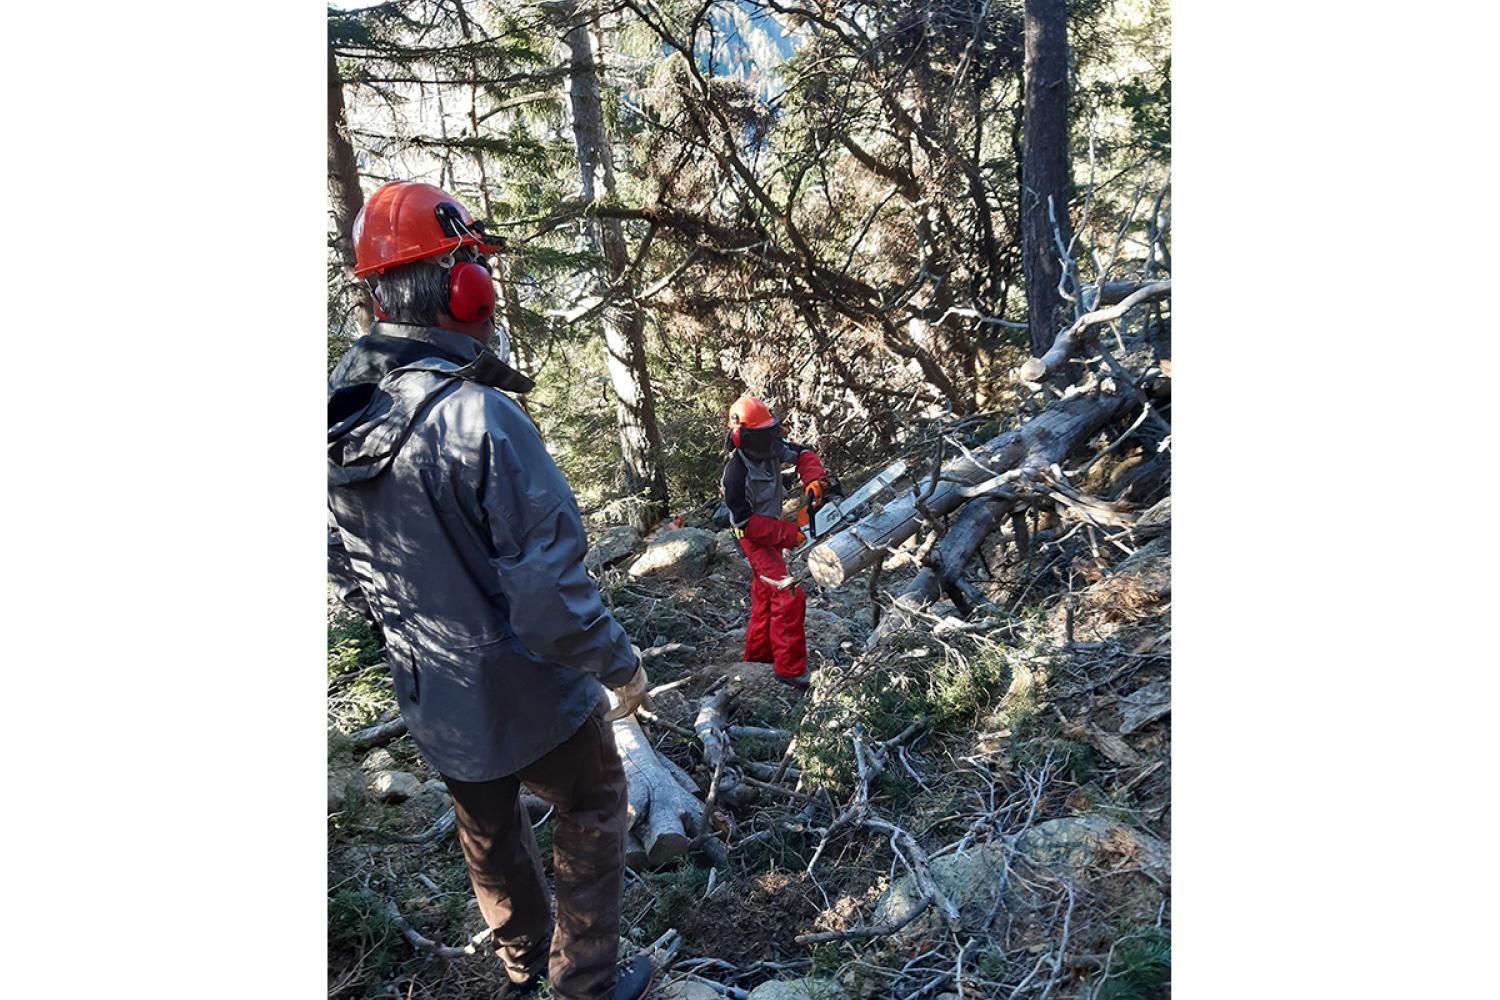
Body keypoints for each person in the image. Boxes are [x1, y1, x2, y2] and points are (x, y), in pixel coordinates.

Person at [327, 180, 652, 1000]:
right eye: (476, 270)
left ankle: (522, 967)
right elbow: (549, 593)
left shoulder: (333, 426)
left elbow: (342, 567)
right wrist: (619, 666)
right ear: (463, 287)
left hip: (432, 693)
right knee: (593, 798)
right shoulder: (476, 417)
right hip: (527, 688)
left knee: (487, 825)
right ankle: (584, 984)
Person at [720, 395, 833, 690]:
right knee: (787, 594)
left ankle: (759, 656)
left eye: (770, 433)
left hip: (770, 531)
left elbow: (803, 454)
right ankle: (789, 669)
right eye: (760, 436)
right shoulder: (736, 474)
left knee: (765, 593)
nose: (769, 442)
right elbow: (745, 523)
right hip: (751, 538)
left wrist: (813, 480)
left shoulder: (772, 447)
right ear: (742, 437)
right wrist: (788, 534)